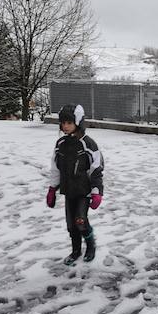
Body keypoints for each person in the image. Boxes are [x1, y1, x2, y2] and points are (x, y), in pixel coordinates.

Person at [46, 104, 104, 265]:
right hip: (68, 190)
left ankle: (91, 245)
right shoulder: (61, 144)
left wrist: (96, 191)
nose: (65, 126)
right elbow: (55, 168)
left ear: (78, 122)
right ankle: (76, 250)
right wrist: (52, 189)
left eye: (69, 123)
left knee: (81, 220)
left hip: (84, 190)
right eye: (63, 123)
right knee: (71, 225)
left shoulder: (88, 144)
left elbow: (96, 169)